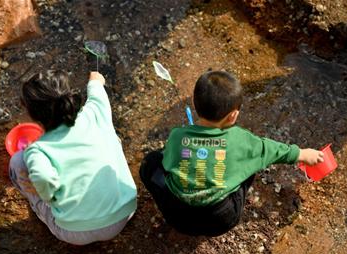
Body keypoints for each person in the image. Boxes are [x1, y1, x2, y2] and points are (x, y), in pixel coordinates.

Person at [139, 70, 324, 236]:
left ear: (195, 105)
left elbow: (168, 160)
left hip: (177, 215)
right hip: (219, 220)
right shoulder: (240, 140)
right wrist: (301, 153)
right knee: (252, 161)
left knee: (151, 161)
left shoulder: (177, 136)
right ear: (233, 115)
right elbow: (271, 150)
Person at [9, 70, 137, 245]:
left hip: (75, 233)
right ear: (69, 97)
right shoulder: (95, 112)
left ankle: (39, 207)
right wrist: (95, 79)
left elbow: (42, 176)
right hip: (123, 213)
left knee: (16, 162)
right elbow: (96, 85)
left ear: (33, 114)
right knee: (111, 136)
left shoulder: (38, 150)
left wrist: (48, 195)